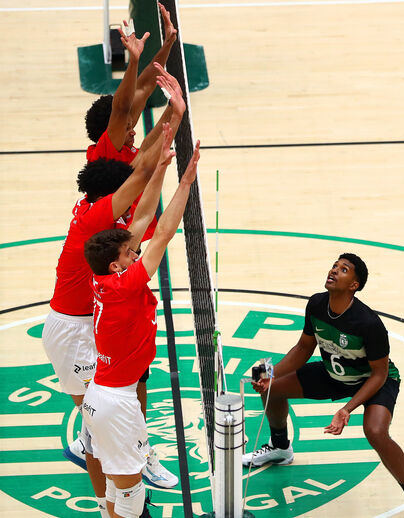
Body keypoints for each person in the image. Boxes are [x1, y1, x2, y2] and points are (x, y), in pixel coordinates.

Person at [241, 254, 404, 518]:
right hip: (335, 373)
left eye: (344, 270)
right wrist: (269, 373)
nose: (334, 271)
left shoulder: (368, 324)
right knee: (273, 388)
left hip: (374, 381)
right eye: (334, 266)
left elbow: (379, 374)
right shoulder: (317, 304)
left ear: (354, 285)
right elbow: (304, 347)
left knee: (375, 431)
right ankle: (280, 447)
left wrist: (347, 409)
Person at [81, 138, 200, 518]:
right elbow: (163, 232)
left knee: (118, 487)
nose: (136, 254)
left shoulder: (102, 278)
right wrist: (186, 181)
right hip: (116, 403)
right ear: (118, 266)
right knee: (131, 495)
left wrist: (163, 167)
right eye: (130, 254)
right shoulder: (125, 284)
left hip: (103, 395)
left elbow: (145, 222)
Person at [85, 4, 178, 165]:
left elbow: (144, 87)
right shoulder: (106, 153)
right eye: (127, 128)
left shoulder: (121, 144)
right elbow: (120, 108)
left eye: (130, 125)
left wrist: (168, 43)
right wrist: (133, 61)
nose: (133, 131)